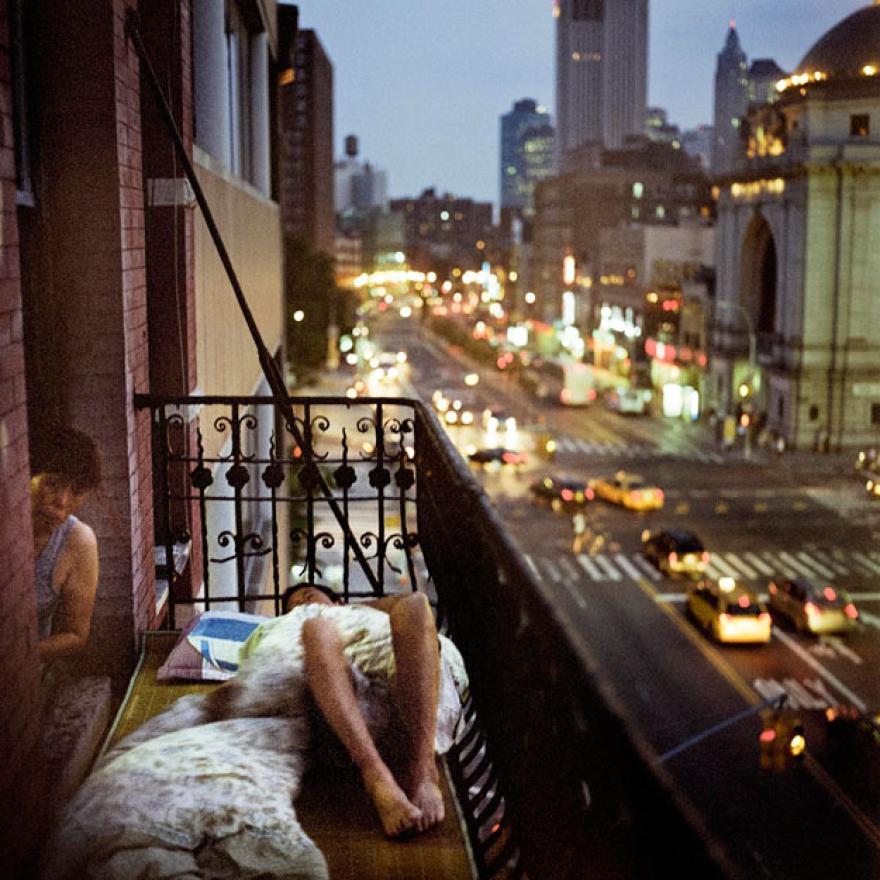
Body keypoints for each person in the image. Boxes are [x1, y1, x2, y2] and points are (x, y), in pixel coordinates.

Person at [205, 583, 468, 839]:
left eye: (308, 596)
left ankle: (423, 771)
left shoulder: (358, 611)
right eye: (292, 606)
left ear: (339, 601)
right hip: (342, 717)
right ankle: (377, 778)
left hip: (416, 703)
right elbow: (255, 669)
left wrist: (353, 607)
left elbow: (407, 610)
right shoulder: (284, 626)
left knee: (415, 603)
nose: (301, 604)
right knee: (316, 628)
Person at [31, 427, 101, 669]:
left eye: (76, 492)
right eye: (52, 484)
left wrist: (21, 655)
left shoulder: (77, 541)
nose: (62, 501)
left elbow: (76, 635)